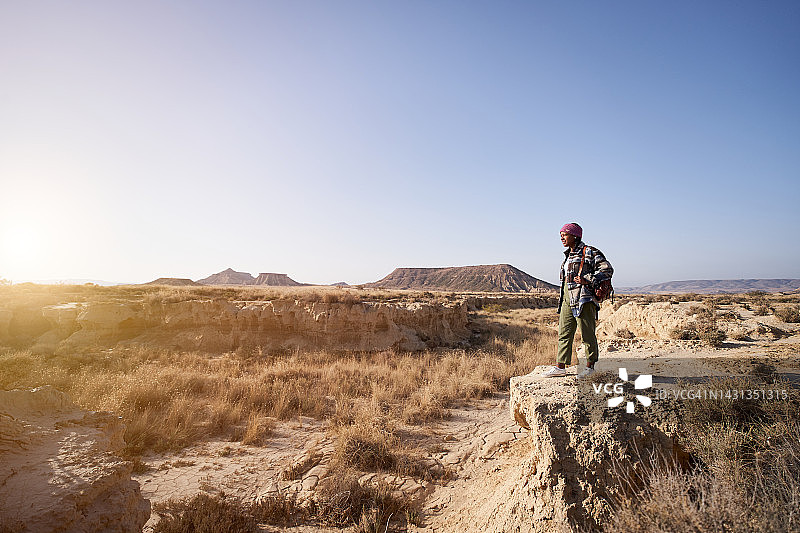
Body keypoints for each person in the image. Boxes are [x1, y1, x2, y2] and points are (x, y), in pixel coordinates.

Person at [541, 223, 613, 378]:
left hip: (584, 299)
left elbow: (607, 269)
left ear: (575, 235)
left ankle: (590, 367)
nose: (562, 238)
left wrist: (588, 279)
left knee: (587, 334)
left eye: (565, 234)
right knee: (564, 333)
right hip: (566, 298)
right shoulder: (568, 255)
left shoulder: (590, 251)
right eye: (560, 235)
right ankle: (560, 367)